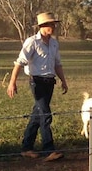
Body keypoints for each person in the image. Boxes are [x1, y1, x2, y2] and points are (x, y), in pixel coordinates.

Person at [7, 12, 68, 161]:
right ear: (42, 26)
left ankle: (26, 148)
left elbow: (57, 64)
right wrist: (12, 82)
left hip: (50, 83)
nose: (53, 27)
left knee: (37, 116)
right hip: (37, 83)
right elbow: (19, 62)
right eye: (49, 25)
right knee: (45, 115)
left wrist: (63, 80)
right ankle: (49, 150)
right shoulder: (32, 42)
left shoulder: (54, 43)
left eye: (53, 24)